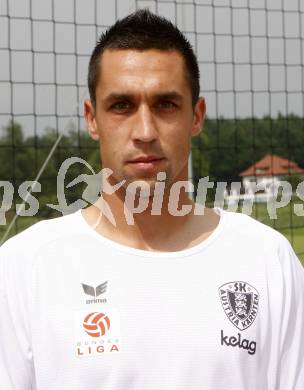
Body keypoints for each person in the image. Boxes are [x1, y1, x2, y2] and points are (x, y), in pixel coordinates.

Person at [0, 9, 303, 390]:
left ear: (196, 116)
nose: (145, 131)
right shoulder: (24, 267)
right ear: (92, 118)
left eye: (166, 105)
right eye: (122, 106)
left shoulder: (267, 260)